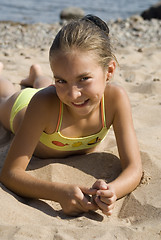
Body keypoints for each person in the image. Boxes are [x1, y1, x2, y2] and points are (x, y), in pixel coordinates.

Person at [0, 15, 142, 217]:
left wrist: (113, 191)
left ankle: (36, 76)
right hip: (24, 108)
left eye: (83, 79)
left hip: (53, 98)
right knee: (5, 97)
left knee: (52, 90)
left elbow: (134, 169)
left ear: (109, 71)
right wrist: (58, 193)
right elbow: (10, 174)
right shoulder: (42, 104)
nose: (74, 93)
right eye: (60, 79)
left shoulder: (116, 100)